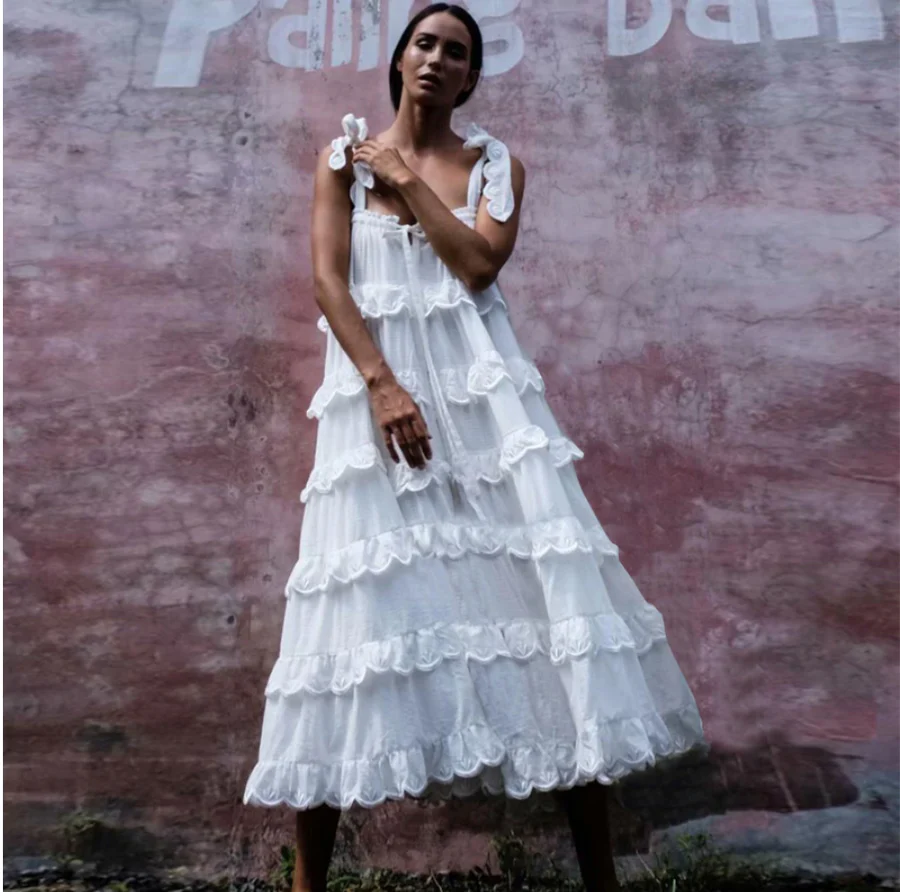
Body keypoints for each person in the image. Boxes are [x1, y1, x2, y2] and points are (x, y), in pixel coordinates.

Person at [243, 4, 706, 890]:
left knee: (547, 616)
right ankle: (308, 884)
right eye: (424, 44)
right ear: (399, 59)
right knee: (346, 627)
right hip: (375, 417)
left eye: (455, 52)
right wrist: (382, 385)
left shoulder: (497, 166)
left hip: (488, 417)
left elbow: (479, 264)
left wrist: (406, 181)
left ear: (470, 77)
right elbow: (329, 282)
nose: (436, 59)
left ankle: (601, 877)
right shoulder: (340, 162)